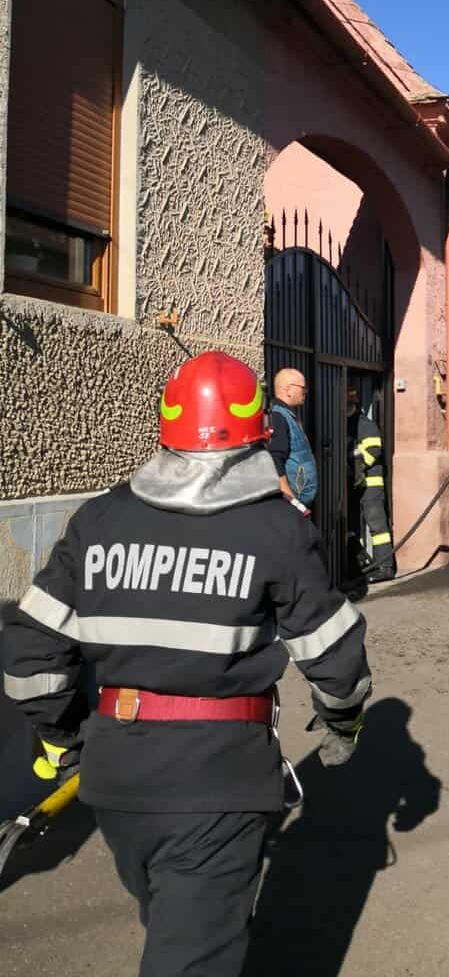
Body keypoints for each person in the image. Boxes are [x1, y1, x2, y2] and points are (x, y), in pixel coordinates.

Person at [2, 351, 371, 977]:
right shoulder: (275, 527)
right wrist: (342, 725)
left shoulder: (99, 519)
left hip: (115, 783)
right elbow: (333, 653)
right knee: (190, 954)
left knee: (175, 928)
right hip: (218, 782)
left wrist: (65, 740)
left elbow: (30, 652)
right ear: (258, 436)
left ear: (164, 430)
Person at [347, 387, 394, 589]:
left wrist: (358, 464)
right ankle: (361, 563)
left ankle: (385, 567)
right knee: (352, 526)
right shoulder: (345, 423)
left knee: (377, 526)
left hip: (371, 485)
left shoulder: (364, 424)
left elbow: (373, 448)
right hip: (355, 484)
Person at [267, 367, 318, 511]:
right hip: (292, 506)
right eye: (302, 387)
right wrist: (292, 501)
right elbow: (275, 461)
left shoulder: (288, 416)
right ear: (288, 390)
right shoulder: (278, 417)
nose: (305, 392)